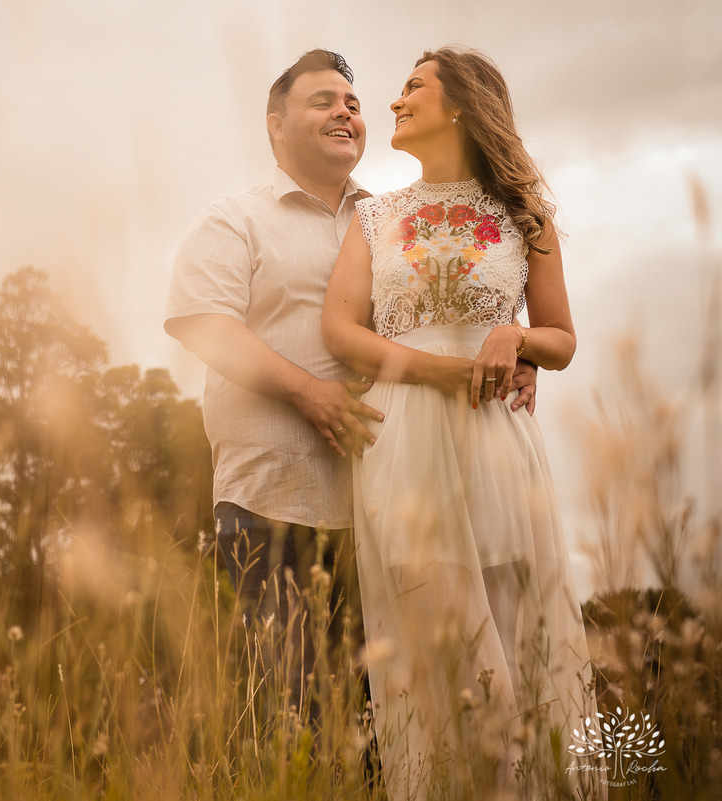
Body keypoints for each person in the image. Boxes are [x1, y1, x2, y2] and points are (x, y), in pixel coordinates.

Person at [163, 49, 537, 719]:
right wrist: (306, 390)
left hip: (388, 505)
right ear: (276, 125)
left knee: (391, 721)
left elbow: (454, 303)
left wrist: (518, 347)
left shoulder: (391, 219)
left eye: (353, 104)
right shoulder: (235, 218)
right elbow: (204, 324)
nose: (346, 112)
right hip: (273, 502)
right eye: (323, 101)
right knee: (290, 717)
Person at [321, 47, 594, 798]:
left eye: (414, 87)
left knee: (509, 635)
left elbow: (562, 339)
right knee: (433, 641)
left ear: (462, 107)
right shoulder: (374, 217)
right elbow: (340, 331)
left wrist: (516, 338)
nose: (395, 101)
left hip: (495, 439)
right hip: (403, 435)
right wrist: (437, 370)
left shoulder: (525, 216)